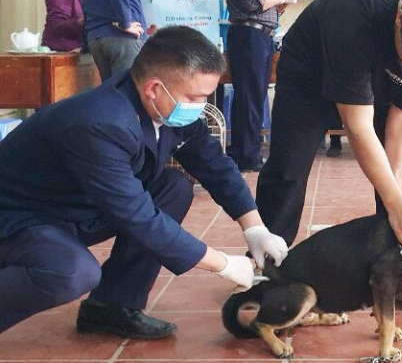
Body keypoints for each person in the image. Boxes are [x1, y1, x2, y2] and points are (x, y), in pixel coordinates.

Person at [0, 26, 288, 338]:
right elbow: (136, 216)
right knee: (71, 272)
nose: (200, 105)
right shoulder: (100, 123)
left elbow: (215, 166)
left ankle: (111, 307)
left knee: (172, 188)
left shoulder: (166, 106)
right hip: (21, 219)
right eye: (195, 97)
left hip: (78, 206)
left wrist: (254, 227)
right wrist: (221, 264)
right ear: (154, 88)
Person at [255, 0, 402, 314]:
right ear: (400, 19)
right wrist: (392, 198)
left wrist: (398, 182)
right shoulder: (354, 14)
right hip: (308, 80)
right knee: (288, 168)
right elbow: (357, 125)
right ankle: (268, 269)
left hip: (385, 90)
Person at [223, 0, 314, 172]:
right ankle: (248, 156)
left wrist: (286, 2)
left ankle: (244, 152)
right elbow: (253, 3)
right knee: (250, 97)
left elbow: (265, 6)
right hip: (248, 36)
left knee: (253, 96)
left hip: (260, 36)